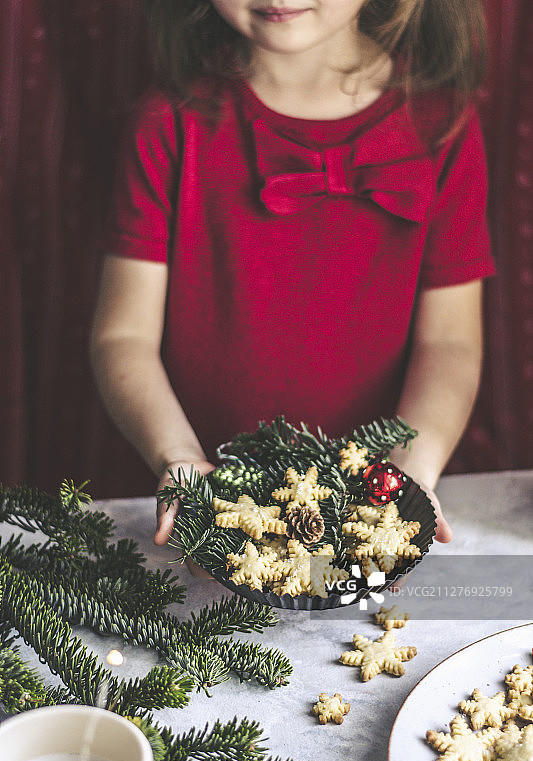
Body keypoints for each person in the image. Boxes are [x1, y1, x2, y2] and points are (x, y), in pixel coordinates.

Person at [90, 0, 495, 563]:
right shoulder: (167, 124)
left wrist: (411, 471)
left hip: (367, 511)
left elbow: (449, 343)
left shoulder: (443, 122)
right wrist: (176, 456)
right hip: (208, 521)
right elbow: (122, 339)